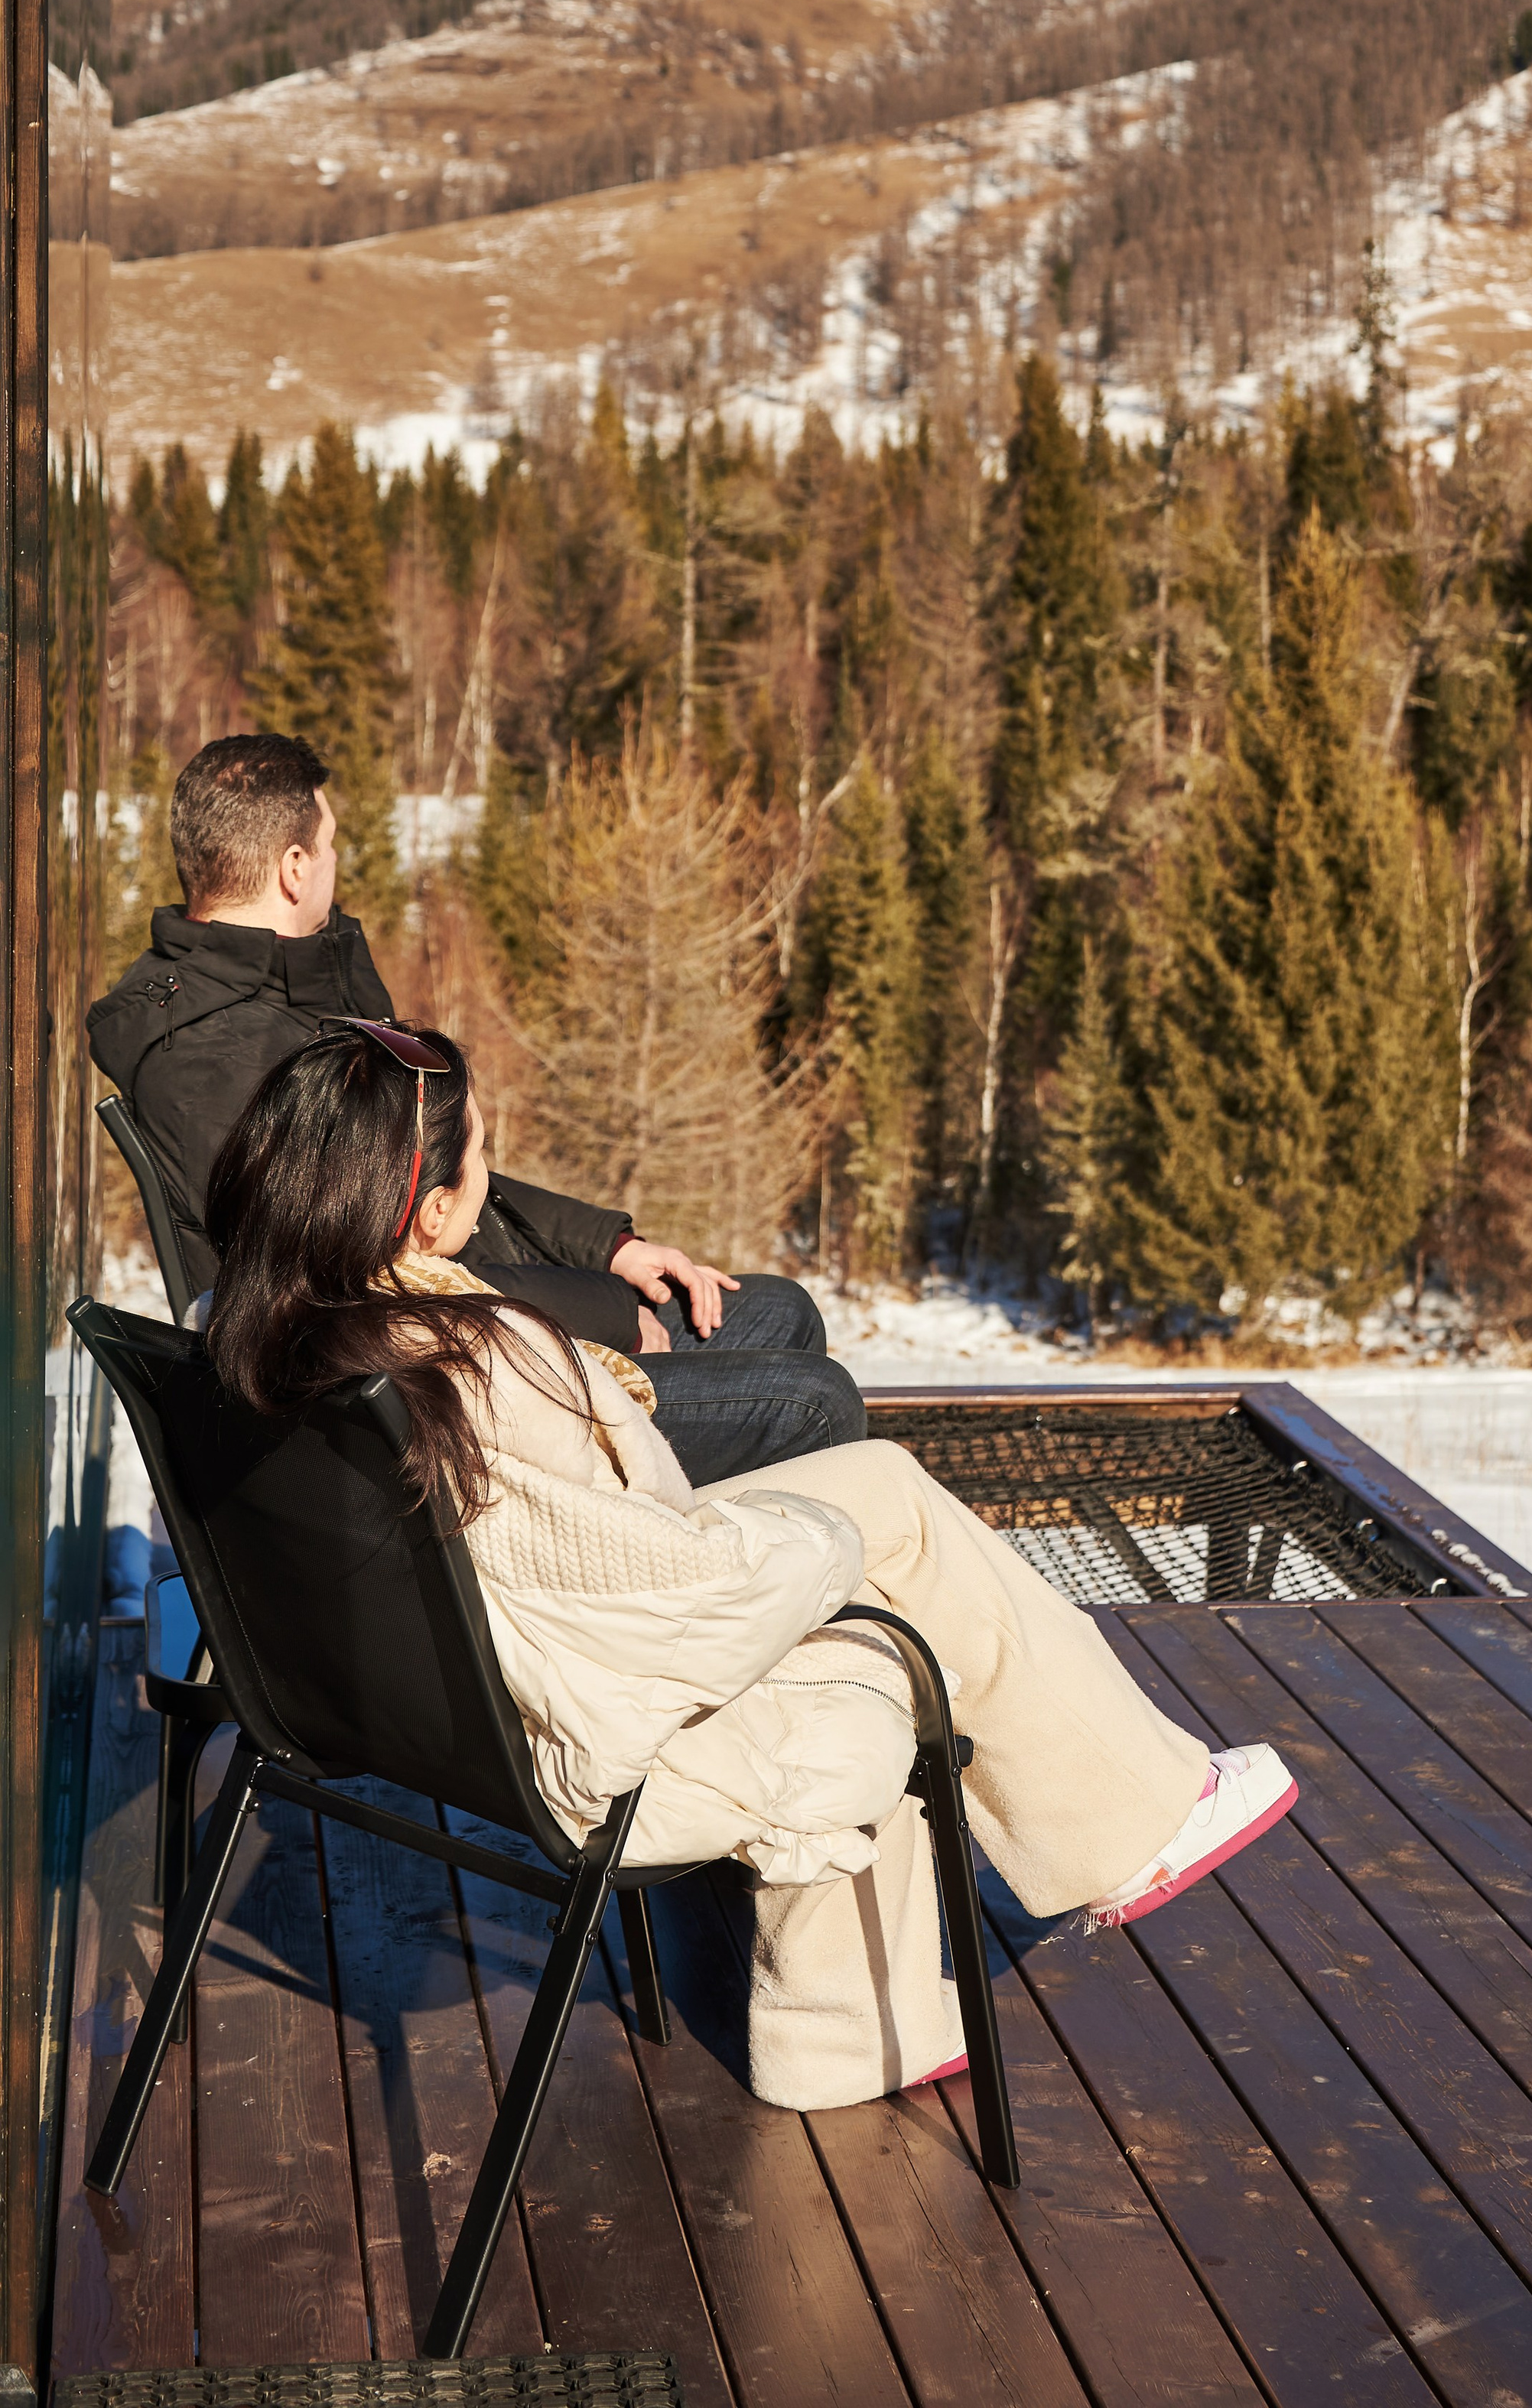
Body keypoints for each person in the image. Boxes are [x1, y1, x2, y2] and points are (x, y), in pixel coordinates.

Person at [200, 1018, 1298, 2110]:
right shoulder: (472, 1363)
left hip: (439, 1691)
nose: (489, 1175)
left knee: (883, 1491)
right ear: (431, 1209)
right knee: (876, 1591)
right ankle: (1127, 1824)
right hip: (569, 1725)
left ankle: (855, 2024)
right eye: (481, 1154)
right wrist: (821, 1546)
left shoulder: (260, 1327)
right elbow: (679, 1602)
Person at [88, 731, 865, 1482]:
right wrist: (606, 1312)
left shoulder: (288, 1005)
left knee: (776, 1310)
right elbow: (375, 1282)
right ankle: (699, 1584)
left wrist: (606, 1249)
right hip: (442, 1390)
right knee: (816, 1402)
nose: (333, 865)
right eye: (329, 846)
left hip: (475, 1324)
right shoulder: (217, 1060)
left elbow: (447, 1169)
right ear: (294, 867)